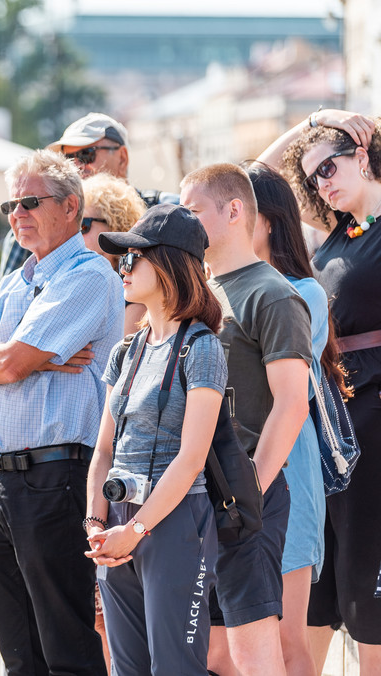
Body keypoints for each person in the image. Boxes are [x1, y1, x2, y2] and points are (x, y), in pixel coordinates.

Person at [0, 149, 122, 676]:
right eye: (10, 205)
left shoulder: (88, 276)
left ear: (71, 207)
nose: (17, 213)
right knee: (19, 655)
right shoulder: (19, 278)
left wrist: (6, 361)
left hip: (55, 475)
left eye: (29, 201)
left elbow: (8, 362)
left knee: (67, 648)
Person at [179, 163, 313, 676]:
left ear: (234, 210)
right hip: (198, 492)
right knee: (214, 654)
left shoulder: (272, 293)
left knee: (254, 654)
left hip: (246, 496)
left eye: (193, 211)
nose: (185, 224)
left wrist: (248, 490)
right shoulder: (202, 291)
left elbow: (292, 404)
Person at [260, 108, 381, 671]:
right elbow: (253, 180)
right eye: (312, 177)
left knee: (366, 594)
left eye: (329, 166)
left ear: (363, 154)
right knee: (319, 591)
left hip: (375, 427)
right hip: (328, 429)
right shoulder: (334, 235)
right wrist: (313, 120)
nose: (321, 183)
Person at [83, 204, 227, 674]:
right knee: (127, 668)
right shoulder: (127, 350)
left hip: (174, 520)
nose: (122, 268)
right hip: (117, 523)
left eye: (132, 259)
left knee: (176, 667)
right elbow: (103, 449)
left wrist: (135, 530)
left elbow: (190, 460)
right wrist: (95, 525)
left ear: (168, 264)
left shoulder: (202, 347)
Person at [244, 162, 341, 676]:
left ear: (268, 220)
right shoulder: (220, 290)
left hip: (287, 474)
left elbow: (288, 395)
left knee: (286, 642)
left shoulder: (302, 293)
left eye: (240, 210)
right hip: (231, 475)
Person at [0, 113, 177, 279]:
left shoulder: (168, 213)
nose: (75, 167)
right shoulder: (31, 228)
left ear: (122, 158)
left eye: (86, 155)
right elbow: (10, 305)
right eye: (67, 158)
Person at [82, 173, 148, 337]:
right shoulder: (77, 280)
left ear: (114, 224)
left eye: (83, 226)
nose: (75, 236)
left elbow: (122, 359)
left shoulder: (135, 291)